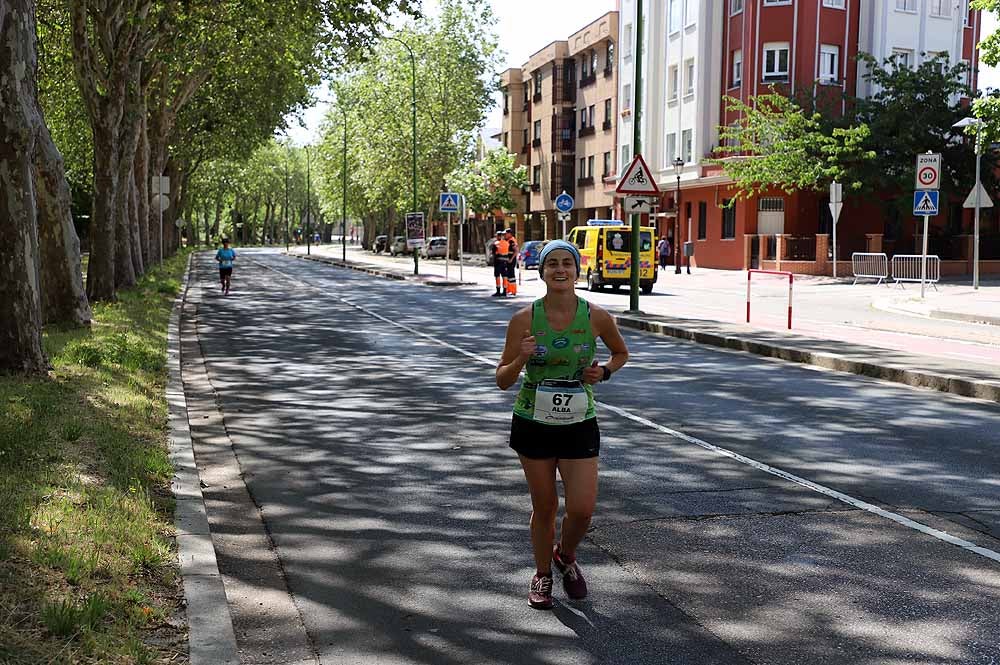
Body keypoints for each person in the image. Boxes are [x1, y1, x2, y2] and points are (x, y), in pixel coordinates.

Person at [495, 240, 629, 610]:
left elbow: (621, 353)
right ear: (541, 272)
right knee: (546, 505)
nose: (559, 270)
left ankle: (565, 555)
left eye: (567, 264)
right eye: (551, 263)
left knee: (583, 509)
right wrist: (520, 359)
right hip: (533, 422)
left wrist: (603, 371)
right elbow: (502, 379)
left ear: (576, 270)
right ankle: (542, 573)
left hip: (578, 422)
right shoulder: (524, 320)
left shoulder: (597, 316)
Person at [492, 230, 511, 297]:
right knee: (505, 276)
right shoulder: (507, 243)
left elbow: (494, 253)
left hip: (498, 262)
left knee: (497, 276)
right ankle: (505, 291)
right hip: (505, 262)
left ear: (497, 236)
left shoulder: (496, 243)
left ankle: (498, 291)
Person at [504, 228, 519, 297]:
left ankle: (513, 291)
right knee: (508, 275)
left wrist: (511, 259)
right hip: (507, 259)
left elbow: (516, 251)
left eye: (506, 234)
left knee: (511, 275)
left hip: (511, 260)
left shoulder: (512, 241)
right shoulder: (507, 240)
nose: (505, 235)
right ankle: (508, 290)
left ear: (509, 234)